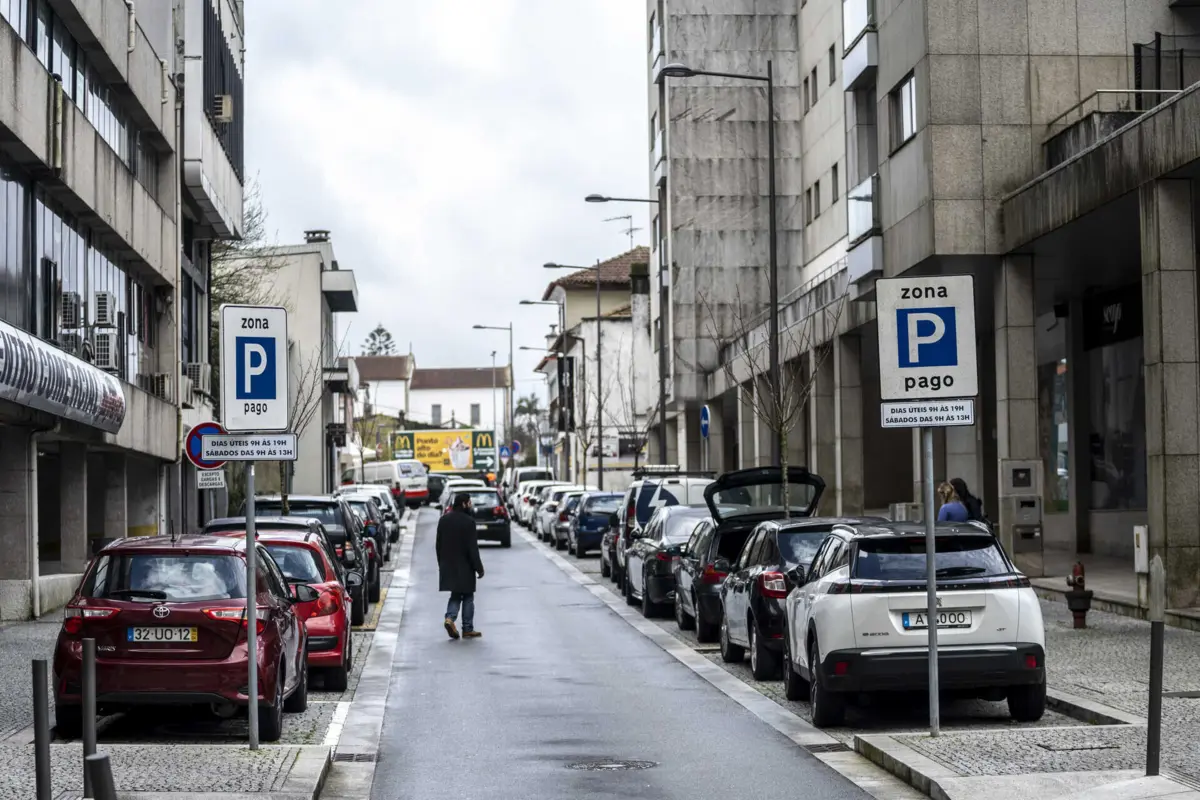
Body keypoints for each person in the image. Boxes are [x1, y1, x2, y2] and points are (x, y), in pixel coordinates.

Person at [436, 492, 485, 639]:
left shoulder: (443, 520)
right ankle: (467, 628)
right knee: (468, 595)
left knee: (456, 593)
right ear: (464, 504)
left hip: (448, 564)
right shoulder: (469, 522)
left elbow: (438, 545)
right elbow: (472, 548)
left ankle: (450, 618)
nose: (471, 505)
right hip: (465, 565)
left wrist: (441, 563)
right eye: (469, 503)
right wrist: (479, 568)